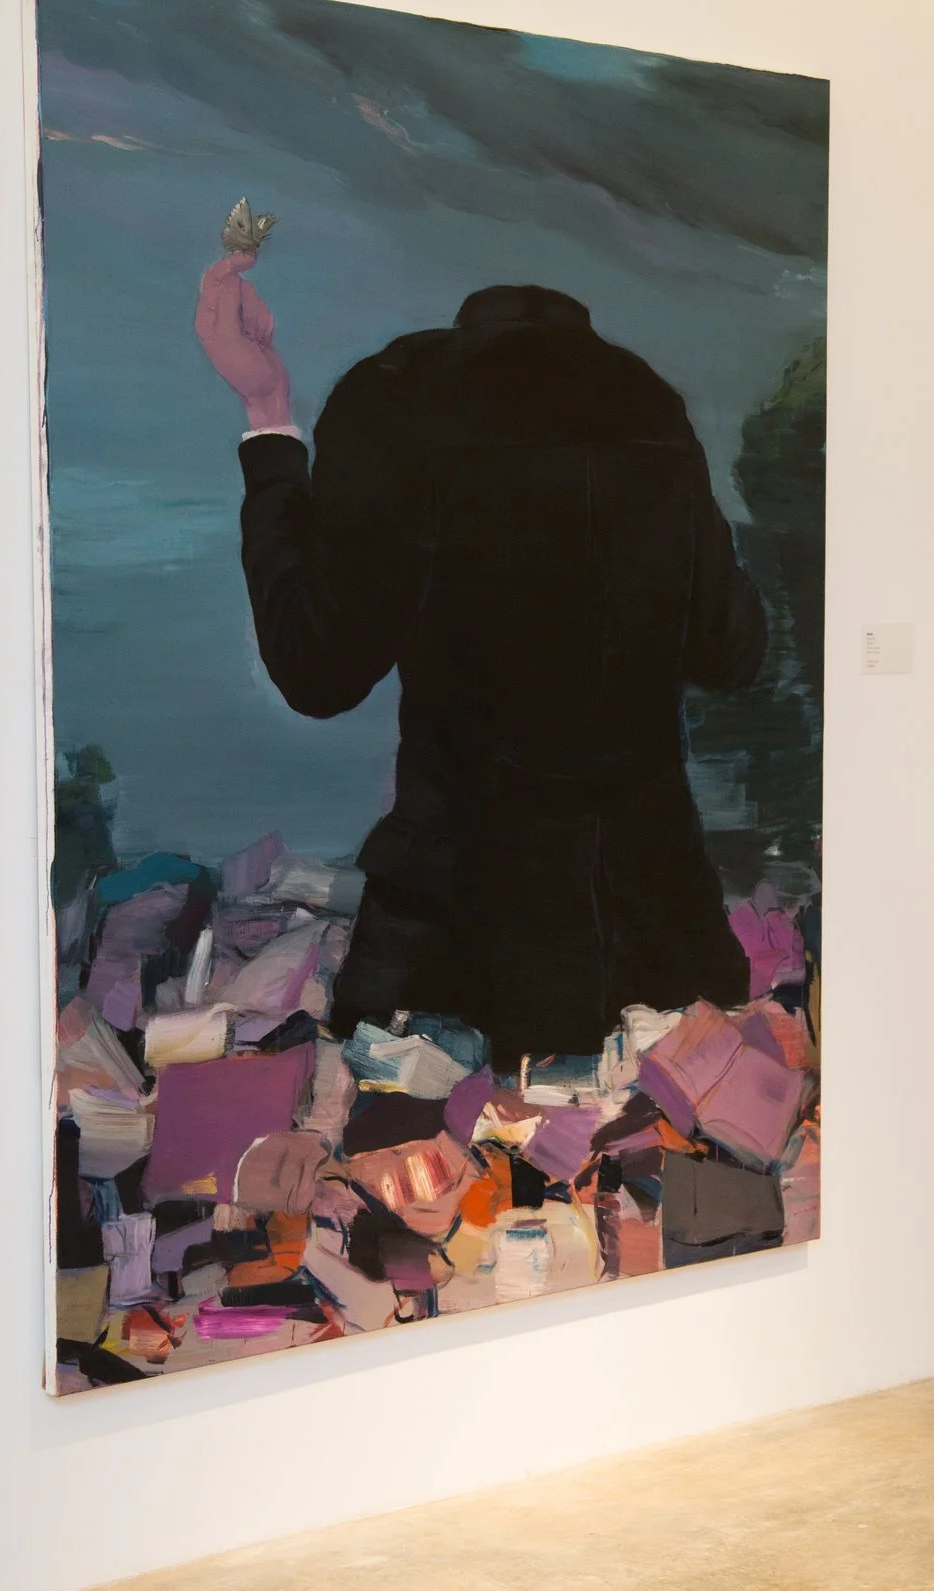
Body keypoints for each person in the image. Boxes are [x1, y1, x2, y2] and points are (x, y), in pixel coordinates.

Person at [193, 251, 766, 1067]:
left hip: (457, 957)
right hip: (658, 948)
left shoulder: (396, 396)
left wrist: (268, 411)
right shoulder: (651, 409)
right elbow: (737, 651)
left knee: (416, 1184)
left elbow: (314, 670)